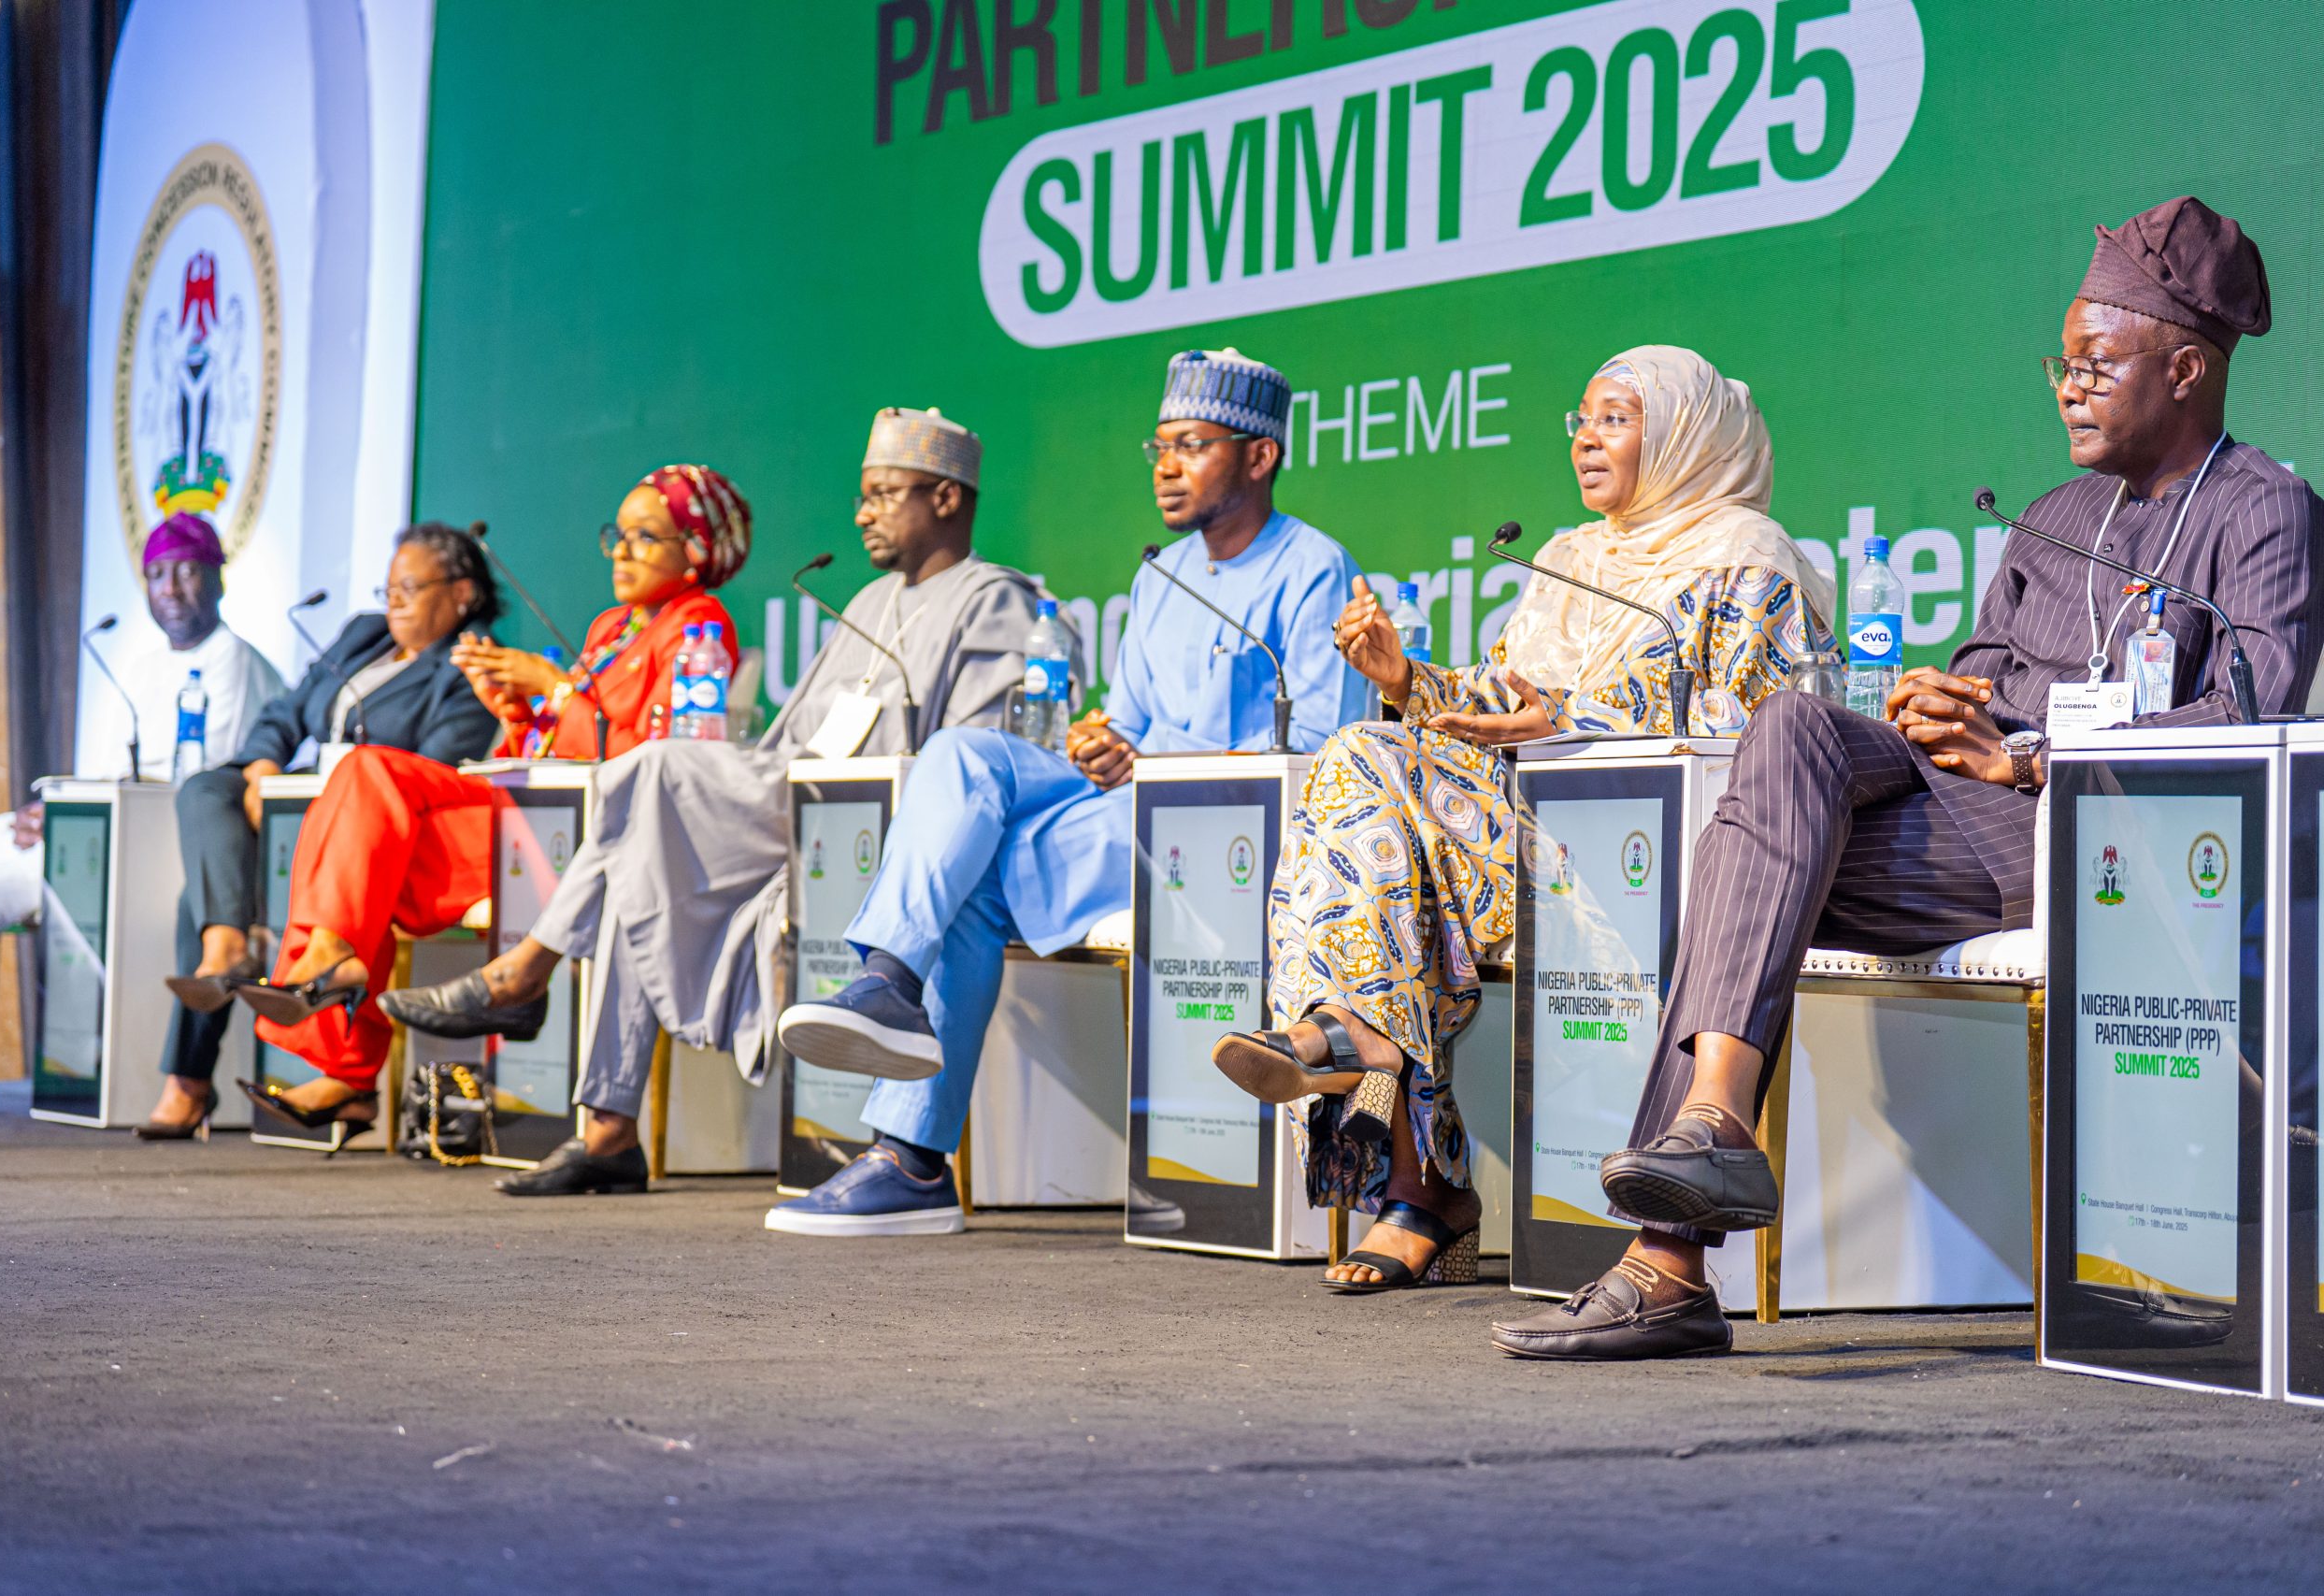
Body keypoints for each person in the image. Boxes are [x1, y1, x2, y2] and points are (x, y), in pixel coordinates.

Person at [1491, 196, 2323, 1360]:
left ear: (2185, 369)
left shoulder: (2263, 506)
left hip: (2101, 833)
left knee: (1739, 871)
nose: (2068, 389)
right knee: (1789, 727)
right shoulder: (2053, 516)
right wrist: (1935, 704)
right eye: (2062, 365)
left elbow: (2249, 713)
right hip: (1965, 802)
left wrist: (2027, 755)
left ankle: (1666, 1264)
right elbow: (1980, 681)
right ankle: (1713, 1122)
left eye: (2096, 365)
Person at [1211, 346, 1835, 1292]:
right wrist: (1405, 678)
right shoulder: (1569, 559)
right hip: (1527, 831)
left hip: (1655, 847)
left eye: (1615, 420)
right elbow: (1507, 701)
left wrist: (1581, 720)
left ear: (1685, 434)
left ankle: (1415, 1177)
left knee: (1391, 863)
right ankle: (1362, 1053)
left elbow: (1768, 730)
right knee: (1361, 756)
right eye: (1581, 420)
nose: (1586, 440)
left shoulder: (1749, 559)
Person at [771, 350, 1370, 1236]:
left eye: (1192, 445)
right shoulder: (1162, 572)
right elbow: (1127, 721)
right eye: (1159, 447)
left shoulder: (1313, 566)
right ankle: (886, 977)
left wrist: (1150, 762)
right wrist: (1100, 738)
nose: (1166, 467)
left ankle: (910, 1159)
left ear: (1259, 456)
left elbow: (1321, 746)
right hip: (1126, 800)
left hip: (1216, 824)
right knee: (961, 753)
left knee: (972, 884)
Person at [381, 408, 1052, 1198]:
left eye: (883, 494)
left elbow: (973, 765)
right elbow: (789, 739)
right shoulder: (868, 602)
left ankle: (529, 975)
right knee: (641, 846)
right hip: (789, 798)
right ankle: (607, 1130)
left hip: (872, 819)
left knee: (652, 772)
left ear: (945, 497)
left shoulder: (996, 600)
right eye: (862, 495)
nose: (862, 514)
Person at [225, 466, 751, 1142]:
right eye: (617, 536)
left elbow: (660, 766)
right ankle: (332, 958)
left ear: (697, 548)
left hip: (590, 834)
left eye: (645, 537)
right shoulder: (612, 627)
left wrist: (553, 688)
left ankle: (346, 1058)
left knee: (368, 849)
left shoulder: (700, 629)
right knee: (363, 778)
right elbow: (557, 742)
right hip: (535, 803)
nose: (620, 552)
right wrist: (515, 708)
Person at [140, 523, 504, 1139]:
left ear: (461, 593)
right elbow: (285, 711)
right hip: (295, 799)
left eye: (410, 589)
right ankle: (226, 944)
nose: (394, 602)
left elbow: (431, 771)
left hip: (368, 820)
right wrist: (262, 762)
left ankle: (190, 1080)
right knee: (206, 792)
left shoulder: (471, 666)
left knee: (196, 897)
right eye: (388, 588)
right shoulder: (364, 634)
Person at [0, 513, 281, 979]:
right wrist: (59, 812)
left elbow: (200, 784)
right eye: (156, 574)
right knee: (2, 835)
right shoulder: (142, 668)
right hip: (122, 830)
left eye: (186, 571)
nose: (170, 590)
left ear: (218, 578)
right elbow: (115, 774)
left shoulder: (233, 659)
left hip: (169, 846)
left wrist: (72, 819)